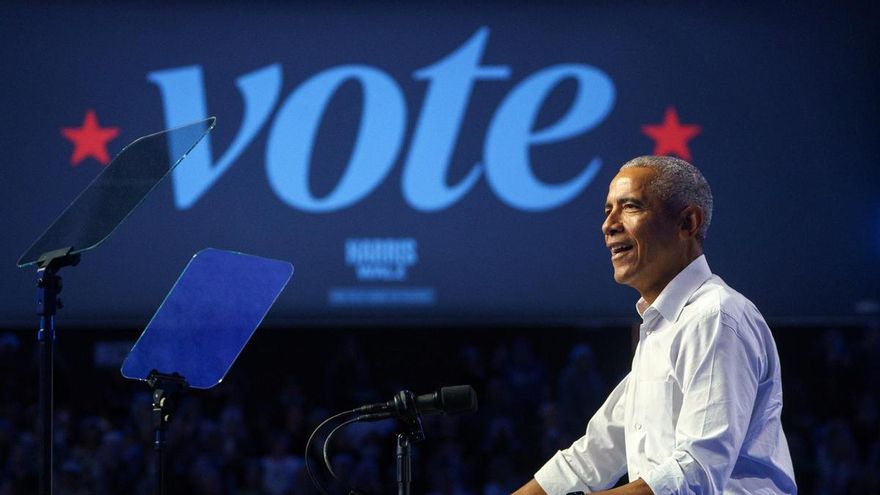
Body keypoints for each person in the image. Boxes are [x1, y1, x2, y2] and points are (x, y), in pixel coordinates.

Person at [513, 156, 797, 494]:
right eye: (608, 210)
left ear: (687, 223)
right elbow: (593, 456)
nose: (608, 225)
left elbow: (696, 473)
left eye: (630, 206)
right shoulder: (662, 328)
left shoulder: (715, 317)